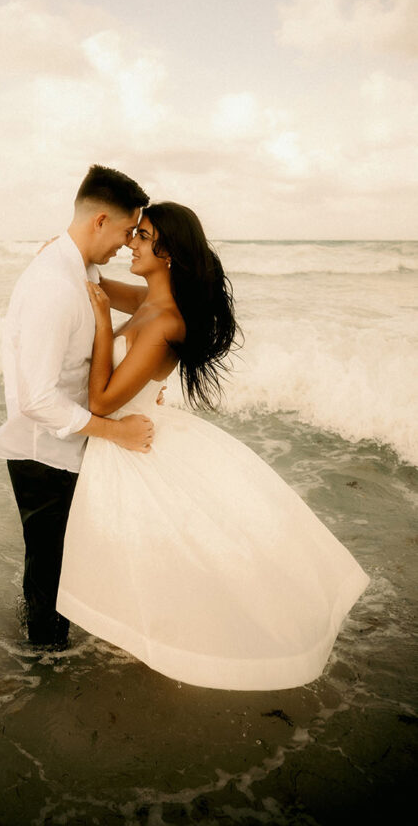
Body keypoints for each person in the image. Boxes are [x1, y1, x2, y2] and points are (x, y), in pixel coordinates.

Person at [57, 202, 370, 690]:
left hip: (128, 437)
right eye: (133, 234)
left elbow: (99, 400)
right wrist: (61, 257)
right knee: (145, 553)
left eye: (141, 236)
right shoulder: (147, 301)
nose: (130, 244)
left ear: (168, 251)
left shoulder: (164, 322)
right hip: (128, 432)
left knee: (162, 550)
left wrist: (101, 326)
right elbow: (93, 283)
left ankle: (169, 649)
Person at [0, 165, 151, 649]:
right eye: (124, 231)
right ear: (100, 221)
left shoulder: (77, 268)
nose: (125, 244)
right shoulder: (54, 285)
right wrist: (114, 431)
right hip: (44, 452)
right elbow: (37, 398)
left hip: (69, 444)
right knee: (50, 567)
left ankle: (48, 647)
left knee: (61, 562)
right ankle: (44, 665)